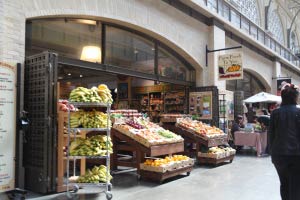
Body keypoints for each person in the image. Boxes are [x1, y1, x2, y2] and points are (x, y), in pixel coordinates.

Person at [269, 83, 300, 200]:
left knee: (284, 183)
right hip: (297, 155)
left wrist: (272, 153)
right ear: (295, 97)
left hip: (279, 155)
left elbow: (271, 135)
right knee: (296, 185)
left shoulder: (275, 113)